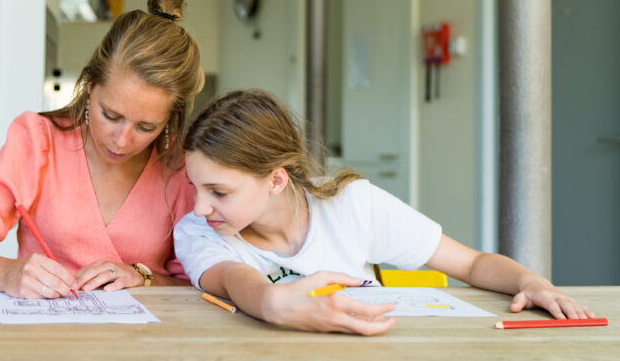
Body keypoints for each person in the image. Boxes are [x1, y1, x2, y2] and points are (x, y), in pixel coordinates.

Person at [174, 89, 594, 335]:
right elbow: (234, 280)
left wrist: (533, 282)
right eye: (195, 187)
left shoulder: (353, 204)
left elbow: (471, 262)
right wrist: (272, 303)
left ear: (276, 180)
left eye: (219, 191)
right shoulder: (198, 232)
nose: (199, 206)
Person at [0, 0, 204, 298]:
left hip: (142, 342)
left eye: (146, 127)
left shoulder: (184, 171)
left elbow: (200, 283)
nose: (122, 140)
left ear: (170, 118)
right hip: (44, 337)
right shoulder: (38, 141)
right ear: (89, 87)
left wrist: (143, 277)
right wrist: (6, 273)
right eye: (110, 115)